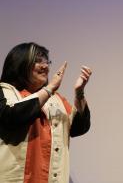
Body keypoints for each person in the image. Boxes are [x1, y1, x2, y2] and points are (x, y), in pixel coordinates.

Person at [0, 42, 92, 183]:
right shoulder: (6, 91)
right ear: (20, 64)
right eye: (38, 61)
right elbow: (12, 117)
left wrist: (79, 94)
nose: (45, 66)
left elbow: (79, 127)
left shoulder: (56, 99)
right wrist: (49, 89)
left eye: (46, 61)